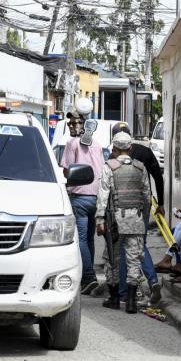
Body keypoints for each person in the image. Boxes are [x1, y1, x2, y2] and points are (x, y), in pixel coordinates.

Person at [95, 132, 150, 314]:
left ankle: (114, 298)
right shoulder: (141, 168)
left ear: (115, 149)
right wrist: (144, 219)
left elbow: (103, 194)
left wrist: (100, 219)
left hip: (115, 221)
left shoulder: (109, 167)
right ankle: (132, 302)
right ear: (130, 148)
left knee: (112, 259)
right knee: (134, 259)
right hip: (136, 220)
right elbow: (147, 197)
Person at [111, 122, 164, 305]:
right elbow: (157, 177)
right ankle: (152, 281)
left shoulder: (113, 158)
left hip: (122, 208)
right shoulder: (144, 153)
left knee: (127, 246)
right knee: (139, 244)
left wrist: (104, 215)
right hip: (142, 205)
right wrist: (160, 203)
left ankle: (126, 292)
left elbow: (107, 188)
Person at [61, 118, 105, 294]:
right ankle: (88, 276)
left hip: (79, 196)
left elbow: (67, 169)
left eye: (75, 124)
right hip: (96, 196)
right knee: (89, 239)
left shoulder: (72, 143)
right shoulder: (98, 144)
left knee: (81, 240)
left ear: (84, 125)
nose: (72, 126)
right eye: (70, 124)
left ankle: (89, 277)